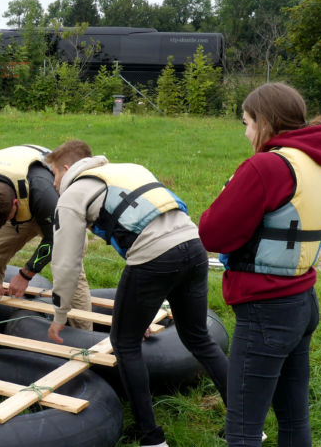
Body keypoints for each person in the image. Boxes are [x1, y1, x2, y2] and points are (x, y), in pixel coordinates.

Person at [46, 140, 228, 447]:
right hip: (194, 247)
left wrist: (60, 313)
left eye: (53, 175)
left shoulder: (72, 194)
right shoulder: (129, 168)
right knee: (198, 337)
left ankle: (151, 438)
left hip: (154, 258)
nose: (52, 183)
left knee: (124, 344)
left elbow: (66, 262)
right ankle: (247, 422)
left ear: (67, 169)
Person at [199, 82, 321, 447]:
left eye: (247, 122)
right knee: (295, 419)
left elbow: (212, 234)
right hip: (303, 302)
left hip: (266, 310)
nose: (246, 132)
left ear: (265, 121)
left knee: (244, 429)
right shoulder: (318, 163)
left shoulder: (267, 165)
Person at [0, 145, 92, 330]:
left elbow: (58, 238)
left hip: (56, 214)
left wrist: (27, 273)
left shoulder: (43, 192)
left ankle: (85, 336)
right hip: (17, 205)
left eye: (5, 220)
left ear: (15, 204)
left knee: (70, 271)